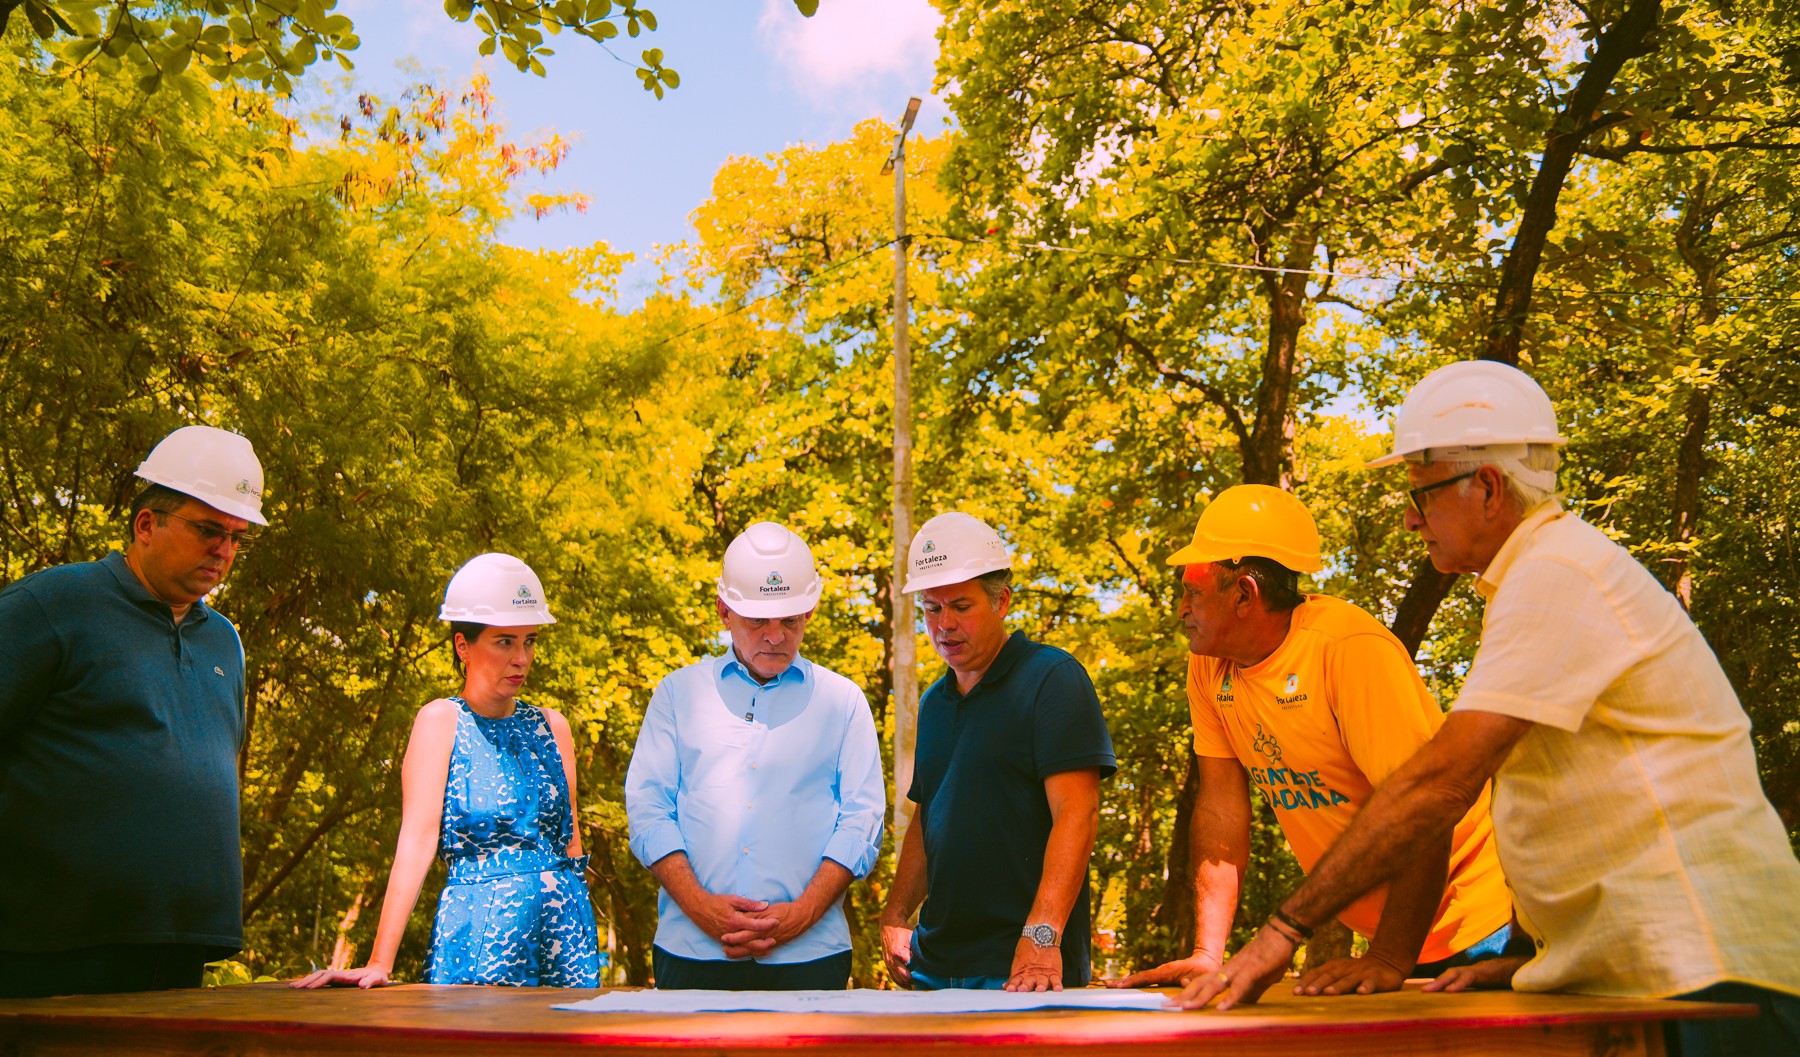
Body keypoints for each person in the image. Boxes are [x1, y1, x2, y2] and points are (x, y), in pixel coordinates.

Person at [1179, 362, 1800, 1055]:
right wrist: (1551, 956)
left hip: (1712, 974)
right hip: (1652, 973)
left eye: (1423, 493)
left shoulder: (1555, 574)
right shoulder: (1530, 580)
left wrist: (1281, 932)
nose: (1413, 517)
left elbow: (1438, 783)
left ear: (1489, 486)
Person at [1110, 485, 1518, 998]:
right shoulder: (1209, 665)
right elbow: (1221, 811)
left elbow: (1427, 806)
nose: (1180, 608)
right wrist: (1207, 954)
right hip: (1392, 942)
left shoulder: (1348, 650)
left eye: (1192, 590)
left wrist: (1390, 957)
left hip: (1480, 928)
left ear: (1244, 594)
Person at [0, 425, 268, 998]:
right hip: (53, 948)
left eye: (237, 536)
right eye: (207, 529)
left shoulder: (224, 641)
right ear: (147, 524)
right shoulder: (51, 607)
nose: (223, 549)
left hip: (180, 947)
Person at [292, 552, 599, 988]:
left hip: (564, 938)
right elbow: (416, 841)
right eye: (504, 642)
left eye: (529, 641)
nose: (522, 658)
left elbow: (571, 845)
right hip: (481, 935)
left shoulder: (554, 726)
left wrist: (583, 941)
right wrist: (380, 961)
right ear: (462, 646)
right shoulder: (441, 721)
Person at [625, 522, 884, 990]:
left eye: (790, 620)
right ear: (724, 610)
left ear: (810, 610)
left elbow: (862, 820)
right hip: (691, 951)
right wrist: (700, 906)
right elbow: (647, 810)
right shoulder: (677, 694)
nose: (775, 636)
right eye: (758, 621)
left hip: (810, 954)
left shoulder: (843, 702)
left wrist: (802, 915)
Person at [879, 512, 1117, 992]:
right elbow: (929, 819)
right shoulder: (934, 703)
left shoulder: (1052, 679)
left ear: (1002, 601)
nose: (944, 624)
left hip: (1025, 969)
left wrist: (1042, 936)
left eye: (961, 606)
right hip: (933, 968)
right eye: (931, 608)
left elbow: (1078, 813)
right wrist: (897, 913)